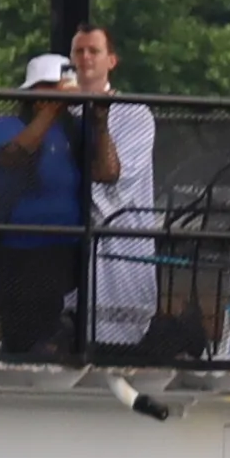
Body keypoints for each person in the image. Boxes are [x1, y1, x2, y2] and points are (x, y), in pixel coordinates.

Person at [0, 51, 97, 358]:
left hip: (66, 248)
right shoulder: (10, 125)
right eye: (51, 86)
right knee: (23, 339)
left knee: (58, 334)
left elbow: (107, 171)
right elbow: (13, 158)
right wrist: (49, 112)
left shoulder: (74, 129)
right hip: (21, 247)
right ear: (35, 93)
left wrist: (101, 117)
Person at [73, 20, 165, 352]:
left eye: (94, 51)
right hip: (70, 252)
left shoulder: (136, 115)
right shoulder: (59, 112)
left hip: (121, 249)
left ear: (111, 60)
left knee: (118, 349)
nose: (85, 58)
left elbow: (114, 182)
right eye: (79, 51)